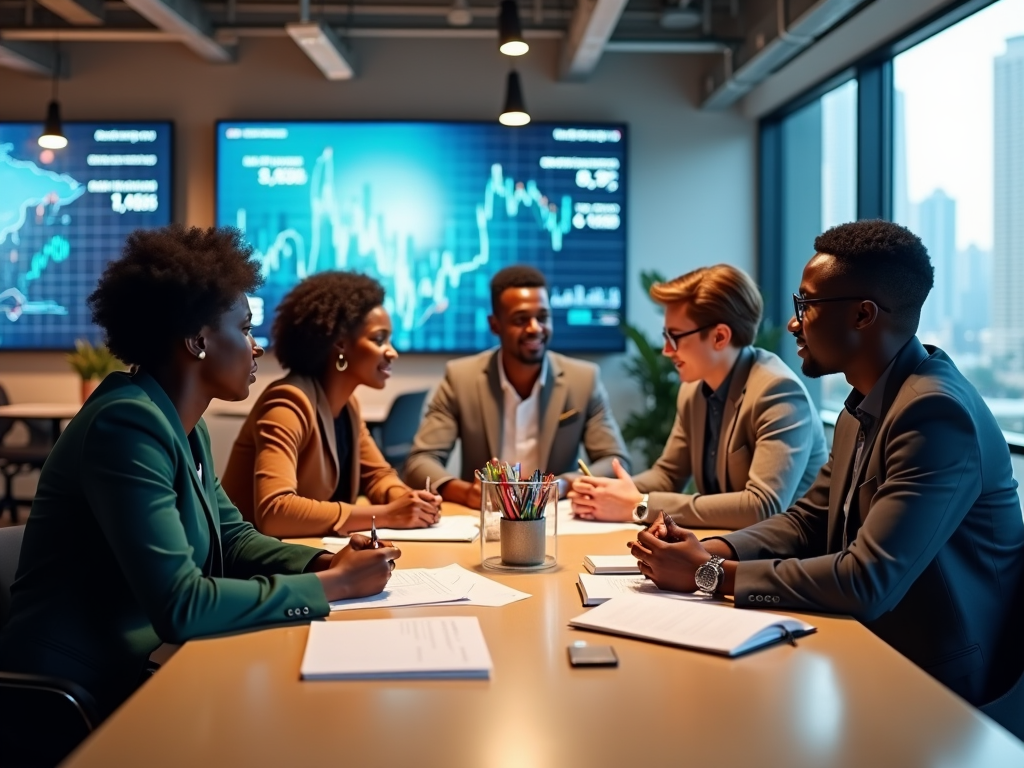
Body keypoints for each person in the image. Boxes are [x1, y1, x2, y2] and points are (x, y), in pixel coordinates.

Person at [0, 226, 399, 719]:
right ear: (197, 340)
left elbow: (233, 540)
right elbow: (181, 606)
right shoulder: (125, 425)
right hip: (70, 695)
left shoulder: (185, 427)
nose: (258, 347)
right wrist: (333, 587)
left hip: (134, 670)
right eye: (246, 328)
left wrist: (323, 563)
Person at [628, 220, 1024, 706]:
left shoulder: (935, 414)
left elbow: (867, 580)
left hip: (941, 685)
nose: (794, 323)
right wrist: (713, 547)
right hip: (868, 650)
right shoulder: (865, 400)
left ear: (862, 315)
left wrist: (706, 572)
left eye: (806, 305)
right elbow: (807, 521)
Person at [569, 264, 827, 529]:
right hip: (729, 549)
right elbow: (668, 476)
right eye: (665, 336)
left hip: (785, 560)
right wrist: (603, 493)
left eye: (675, 336)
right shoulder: (693, 390)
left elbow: (761, 507)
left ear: (719, 336)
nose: (667, 350)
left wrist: (640, 505)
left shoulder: (778, 392)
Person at [222, 272, 441, 539]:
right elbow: (275, 513)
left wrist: (411, 501)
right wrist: (387, 514)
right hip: (252, 567)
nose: (392, 352)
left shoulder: (347, 407)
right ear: (339, 343)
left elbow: (377, 476)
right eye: (379, 339)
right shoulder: (286, 403)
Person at [404, 265, 629, 509]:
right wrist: (466, 492)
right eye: (521, 319)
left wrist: (564, 485)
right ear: (495, 325)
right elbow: (420, 461)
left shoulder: (583, 380)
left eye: (542, 317)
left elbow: (615, 460)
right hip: (486, 519)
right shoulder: (460, 379)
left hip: (556, 519)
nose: (535, 328)